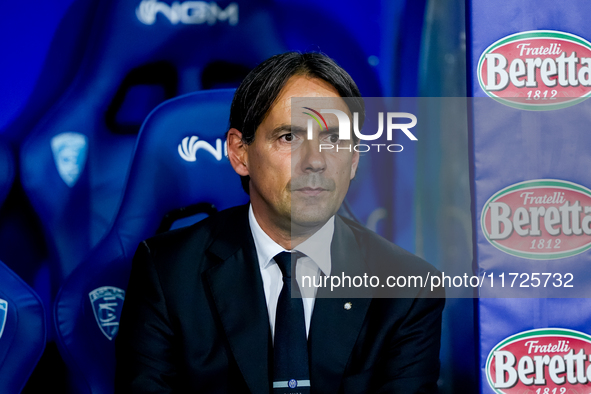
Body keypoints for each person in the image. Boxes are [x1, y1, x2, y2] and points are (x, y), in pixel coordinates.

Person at [115, 52, 445, 393]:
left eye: (333, 140)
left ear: (353, 160)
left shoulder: (409, 287)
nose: (316, 161)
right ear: (240, 152)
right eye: (290, 137)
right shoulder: (166, 272)